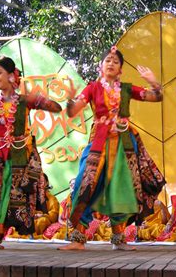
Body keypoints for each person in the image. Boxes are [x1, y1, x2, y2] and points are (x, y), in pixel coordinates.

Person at [58, 46, 165, 251]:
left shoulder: (126, 89)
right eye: (108, 60)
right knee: (84, 183)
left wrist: (152, 81)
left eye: (116, 61)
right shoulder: (92, 88)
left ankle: (118, 238)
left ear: (121, 69)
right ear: (100, 65)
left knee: (122, 189)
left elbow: (156, 96)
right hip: (98, 142)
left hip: (125, 144)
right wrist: (70, 97)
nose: (111, 63)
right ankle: (78, 238)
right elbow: (72, 111)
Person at [0, 56, 62, 249]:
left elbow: (56, 108)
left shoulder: (24, 101)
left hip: (22, 161)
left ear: (11, 76)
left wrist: (40, 99)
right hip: (1, 159)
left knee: (7, 201)